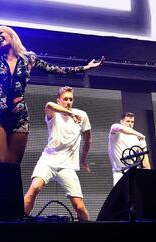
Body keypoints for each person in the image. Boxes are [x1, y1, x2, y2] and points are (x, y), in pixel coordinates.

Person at [0, 25, 103, 163]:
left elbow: (57, 69)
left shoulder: (28, 59)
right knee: (0, 164)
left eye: (1, 32)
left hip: (19, 115)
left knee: (12, 167)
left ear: (11, 36)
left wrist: (86, 68)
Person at [23, 86, 93, 221]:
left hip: (67, 166)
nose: (68, 102)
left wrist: (83, 160)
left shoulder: (82, 115)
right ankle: (19, 224)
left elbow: (88, 139)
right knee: (34, 189)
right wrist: (71, 114)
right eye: (65, 99)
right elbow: (49, 105)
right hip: (48, 161)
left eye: (70, 99)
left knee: (79, 206)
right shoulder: (53, 114)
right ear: (59, 101)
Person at [108, 112, 151, 185]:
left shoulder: (138, 138)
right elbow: (121, 128)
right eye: (128, 121)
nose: (130, 123)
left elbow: (144, 158)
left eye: (132, 122)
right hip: (119, 173)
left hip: (133, 171)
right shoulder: (115, 131)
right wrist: (138, 133)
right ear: (121, 121)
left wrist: (149, 175)